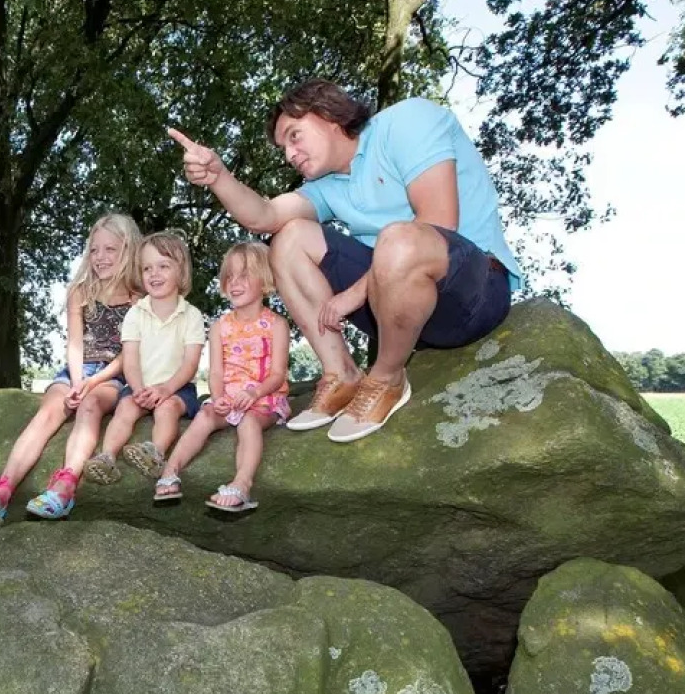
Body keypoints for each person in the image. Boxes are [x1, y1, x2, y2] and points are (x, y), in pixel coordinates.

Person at [168, 79, 521, 442]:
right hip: (396, 310)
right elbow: (265, 216)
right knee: (288, 238)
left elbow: (438, 221)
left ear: (327, 114)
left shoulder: (407, 121)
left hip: (470, 295)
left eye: (294, 136)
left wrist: (353, 295)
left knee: (399, 238)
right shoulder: (328, 187)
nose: (289, 154)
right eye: (283, 147)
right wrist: (219, 177)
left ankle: (386, 379)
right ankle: (341, 374)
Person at [0, 213, 143, 525]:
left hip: (115, 373)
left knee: (90, 406)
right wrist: (77, 380)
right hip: (79, 368)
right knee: (49, 410)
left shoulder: (139, 299)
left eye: (110, 249)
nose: (100, 257)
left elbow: (129, 355)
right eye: (94, 250)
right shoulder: (81, 290)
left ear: (128, 250)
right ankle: (2, 489)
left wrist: (91, 384)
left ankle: (64, 488)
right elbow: (75, 343)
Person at [152, 241, 290, 512]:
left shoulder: (276, 324)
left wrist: (254, 393)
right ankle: (170, 471)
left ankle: (242, 483)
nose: (234, 283)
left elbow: (277, 374)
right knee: (204, 416)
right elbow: (216, 372)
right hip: (229, 398)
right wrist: (218, 399)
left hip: (264, 399)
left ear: (265, 282)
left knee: (248, 423)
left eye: (244, 275)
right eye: (229, 276)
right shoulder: (219, 326)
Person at [81, 231, 204, 486]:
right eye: (147, 268)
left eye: (163, 266)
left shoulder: (191, 315)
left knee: (167, 409)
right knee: (125, 408)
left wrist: (166, 389)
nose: (154, 274)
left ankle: (154, 453)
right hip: (140, 386)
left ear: (180, 272)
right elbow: (131, 359)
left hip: (176, 389)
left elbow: (190, 364)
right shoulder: (135, 314)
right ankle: (107, 456)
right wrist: (137, 389)